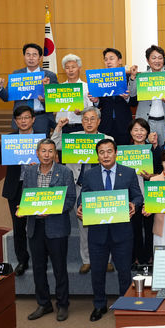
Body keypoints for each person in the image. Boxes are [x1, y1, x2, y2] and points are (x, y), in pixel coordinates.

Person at [77, 139, 143, 322]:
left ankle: (125, 304)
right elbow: (82, 199)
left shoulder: (128, 173)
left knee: (124, 271)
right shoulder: (89, 175)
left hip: (122, 232)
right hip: (97, 233)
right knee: (97, 271)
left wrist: (134, 204)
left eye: (109, 151)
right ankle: (99, 305)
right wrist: (80, 207)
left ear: (116, 153)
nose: (105, 155)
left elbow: (138, 196)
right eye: (101, 152)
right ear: (97, 155)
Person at [50, 106, 114, 274]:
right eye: (85, 119)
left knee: (105, 223)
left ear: (99, 121)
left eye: (92, 119)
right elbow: (54, 144)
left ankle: (106, 259)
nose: (89, 122)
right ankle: (87, 260)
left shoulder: (107, 139)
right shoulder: (72, 138)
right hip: (80, 186)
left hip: (102, 188)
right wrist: (58, 127)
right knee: (83, 225)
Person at [19, 139, 76, 322]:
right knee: (38, 268)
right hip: (35, 227)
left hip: (56, 226)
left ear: (55, 154)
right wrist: (23, 208)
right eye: (43, 151)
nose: (46, 154)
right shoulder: (28, 172)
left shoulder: (65, 172)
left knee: (60, 268)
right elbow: (26, 196)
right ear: (37, 153)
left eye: (50, 151)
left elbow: (70, 200)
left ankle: (62, 305)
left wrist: (52, 208)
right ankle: (43, 303)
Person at [0, 105, 42, 276]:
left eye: (26, 117)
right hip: (15, 188)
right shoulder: (10, 139)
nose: (23, 121)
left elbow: (52, 160)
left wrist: (39, 164)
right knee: (18, 226)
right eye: (20, 118)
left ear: (33, 119)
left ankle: (40, 258)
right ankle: (22, 260)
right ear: (16, 122)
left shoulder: (41, 139)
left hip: (36, 186)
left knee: (38, 224)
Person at [0, 43, 58, 134]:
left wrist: (45, 97)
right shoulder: (16, 75)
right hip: (21, 120)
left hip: (42, 118)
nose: (31, 58)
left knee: (42, 147)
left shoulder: (49, 75)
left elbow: (56, 100)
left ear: (40, 58)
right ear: (24, 57)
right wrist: (0, 87)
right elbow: (6, 97)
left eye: (34, 55)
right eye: (28, 54)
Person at [128, 45, 165, 146]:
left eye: (160, 58)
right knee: (147, 151)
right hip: (146, 121)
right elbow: (132, 94)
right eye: (154, 58)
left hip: (164, 121)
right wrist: (133, 77)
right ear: (148, 60)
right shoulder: (142, 76)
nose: (157, 61)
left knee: (163, 150)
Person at [128, 118, 163, 266]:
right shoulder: (124, 151)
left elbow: (163, 174)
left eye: (142, 130)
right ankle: (136, 257)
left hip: (151, 195)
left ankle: (149, 256)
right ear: (130, 132)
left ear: (147, 132)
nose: (139, 133)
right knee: (134, 228)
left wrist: (151, 176)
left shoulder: (154, 150)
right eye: (136, 130)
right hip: (132, 196)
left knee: (150, 229)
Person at [92, 48, 136, 146]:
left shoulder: (130, 78)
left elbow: (134, 102)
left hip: (124, 125)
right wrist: (96, 101)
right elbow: (99, 104)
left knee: (122, 156)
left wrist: (127, 98)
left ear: (120, 61)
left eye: (111, 58)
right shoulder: (100, 79)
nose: (108, 62)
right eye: (106, 59)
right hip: (106, 125)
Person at [57, 54, 93, 133]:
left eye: (73, 67)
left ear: (79, 68)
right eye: (67, 68)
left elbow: (91, 109)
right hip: (63, 127)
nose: (70, 70)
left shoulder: (87, 87)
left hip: (80, 126)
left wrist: (82, 112)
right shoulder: (59, 88)